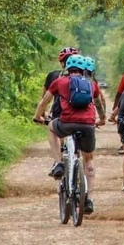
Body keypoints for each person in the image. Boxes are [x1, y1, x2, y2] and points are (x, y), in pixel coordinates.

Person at [34, 54, 107, 214]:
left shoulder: (59, 82)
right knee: (89, 160)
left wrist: (38, 116)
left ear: (67, 68)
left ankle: (59, 163)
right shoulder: (91, 84)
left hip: (66, 123)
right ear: (83, 70)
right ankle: (89, 199)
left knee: (52, 128)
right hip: (88, 125)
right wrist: (101, 119)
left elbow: (44, 102)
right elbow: (99, 105)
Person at [42, 47, 78, 178]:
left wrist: (41, 114)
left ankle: (58, 162)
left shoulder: (53, 76)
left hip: (59, 111)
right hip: (82, 115)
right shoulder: (86, 77)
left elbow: (44, 98)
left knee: (55, 131)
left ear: (62, 63)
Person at [83, 56, 108, 122]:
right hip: (89, 119)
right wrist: (102, 118)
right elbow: (98, 103)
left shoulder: (70, 81)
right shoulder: (93, 83)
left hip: (69, 120)